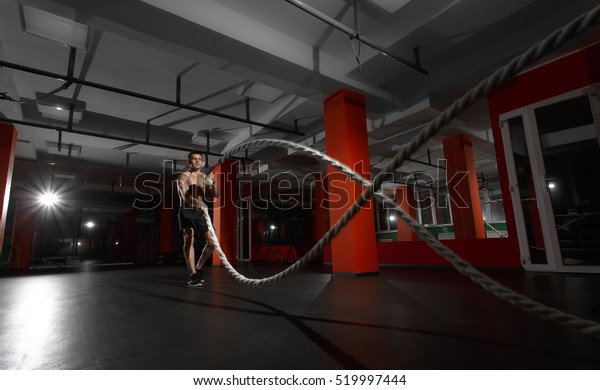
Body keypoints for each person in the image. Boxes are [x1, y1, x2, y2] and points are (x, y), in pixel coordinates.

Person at [176, 151, 218, 287]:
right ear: (189, 161)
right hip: (187, 211)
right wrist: (197, 203)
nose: (197, 161)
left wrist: (212, 182)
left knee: (212, 243)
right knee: (189, 237)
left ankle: (199, 268)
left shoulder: (203, 176)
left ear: (202, 162)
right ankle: (193, 274)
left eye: (199, 159)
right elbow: (184, 195)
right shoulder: (183, 176)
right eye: (194, 159)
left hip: (201, 212)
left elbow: (215, 194)